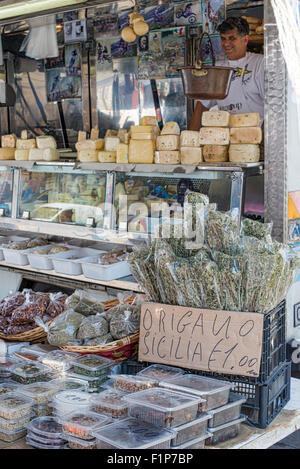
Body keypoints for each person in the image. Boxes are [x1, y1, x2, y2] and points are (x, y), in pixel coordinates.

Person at [189, 17, 264, 130]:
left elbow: (274, 106)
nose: (226, 43)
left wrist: (263, 139)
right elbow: (202, 105)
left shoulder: (260, 63)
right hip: (229, 140)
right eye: (223, 39)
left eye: (232, 38)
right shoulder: (218, 69)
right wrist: (191, 139)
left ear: (245, 39)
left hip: (255, 139)